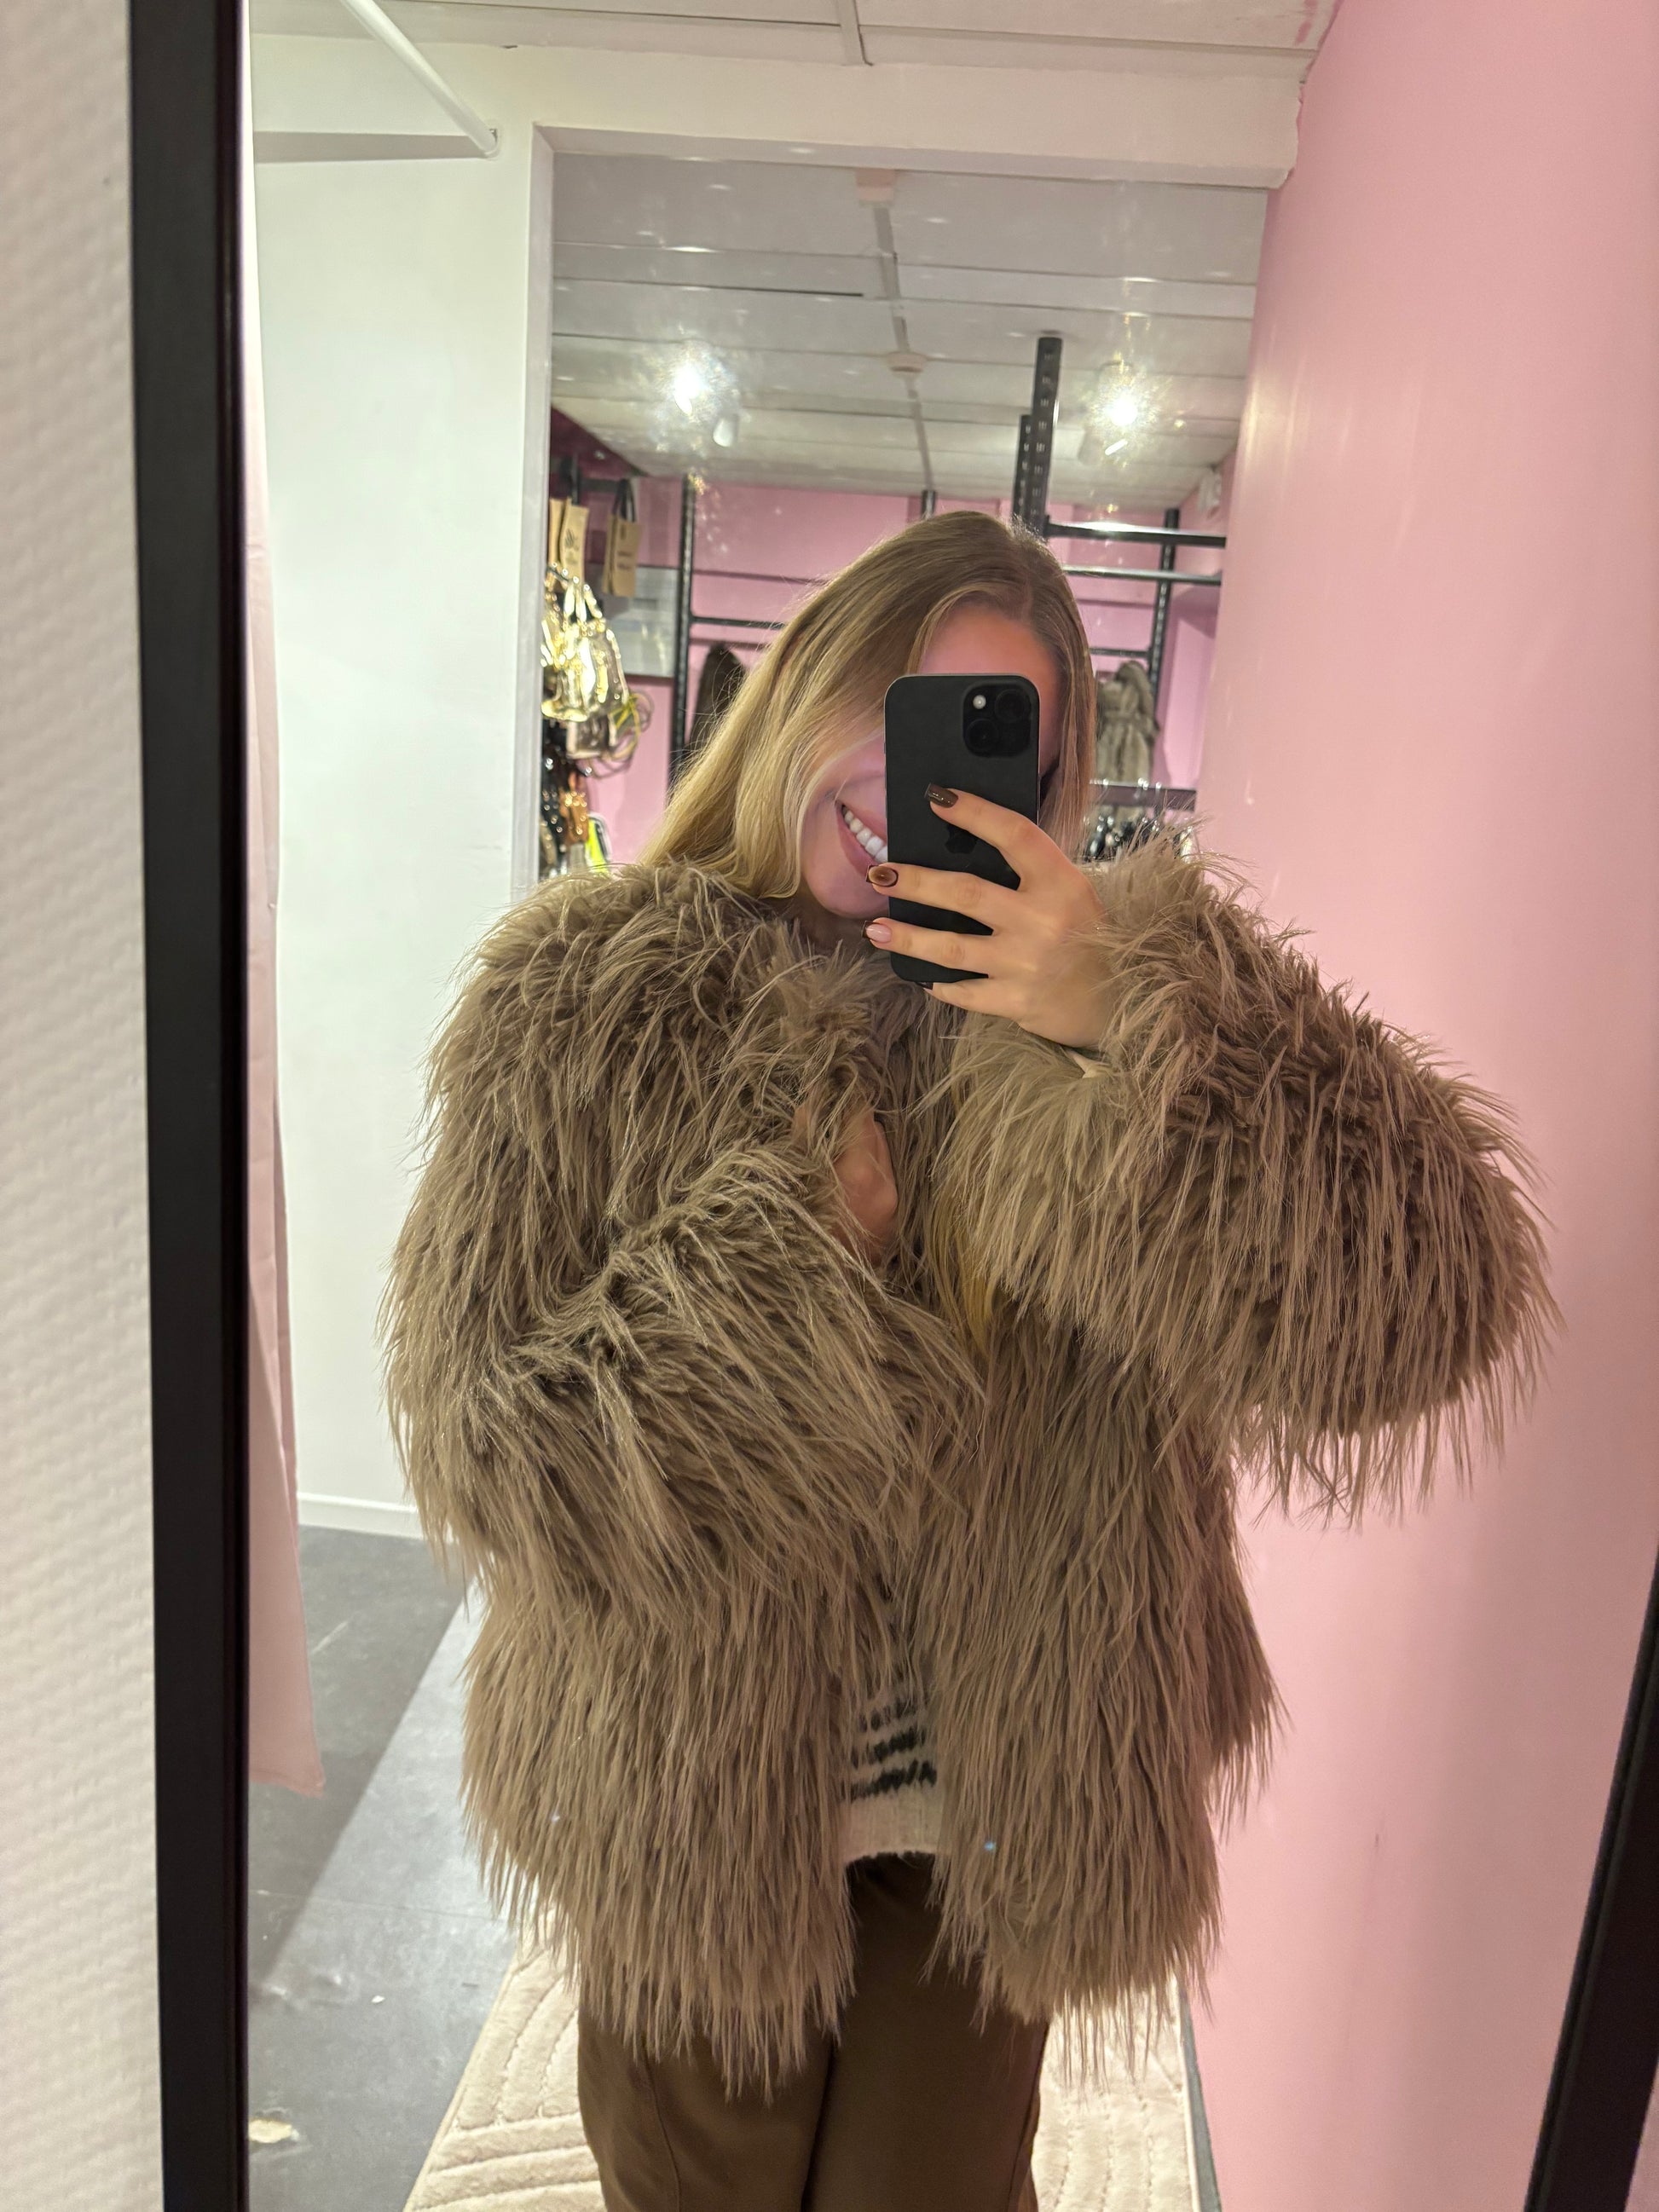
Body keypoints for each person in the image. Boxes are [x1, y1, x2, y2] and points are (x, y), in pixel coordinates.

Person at [384, 510, 1550, 2211]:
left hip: (997, 1801)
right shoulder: (589, 1002)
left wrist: (1130, 1023)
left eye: (989, 736)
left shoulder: (1126, 1002)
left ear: (1047, 785)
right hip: (687, 1785)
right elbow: (490, 1441)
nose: (909, 773)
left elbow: (1424, 1306)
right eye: (891, 700)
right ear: (800, 690)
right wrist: (781, 1265)